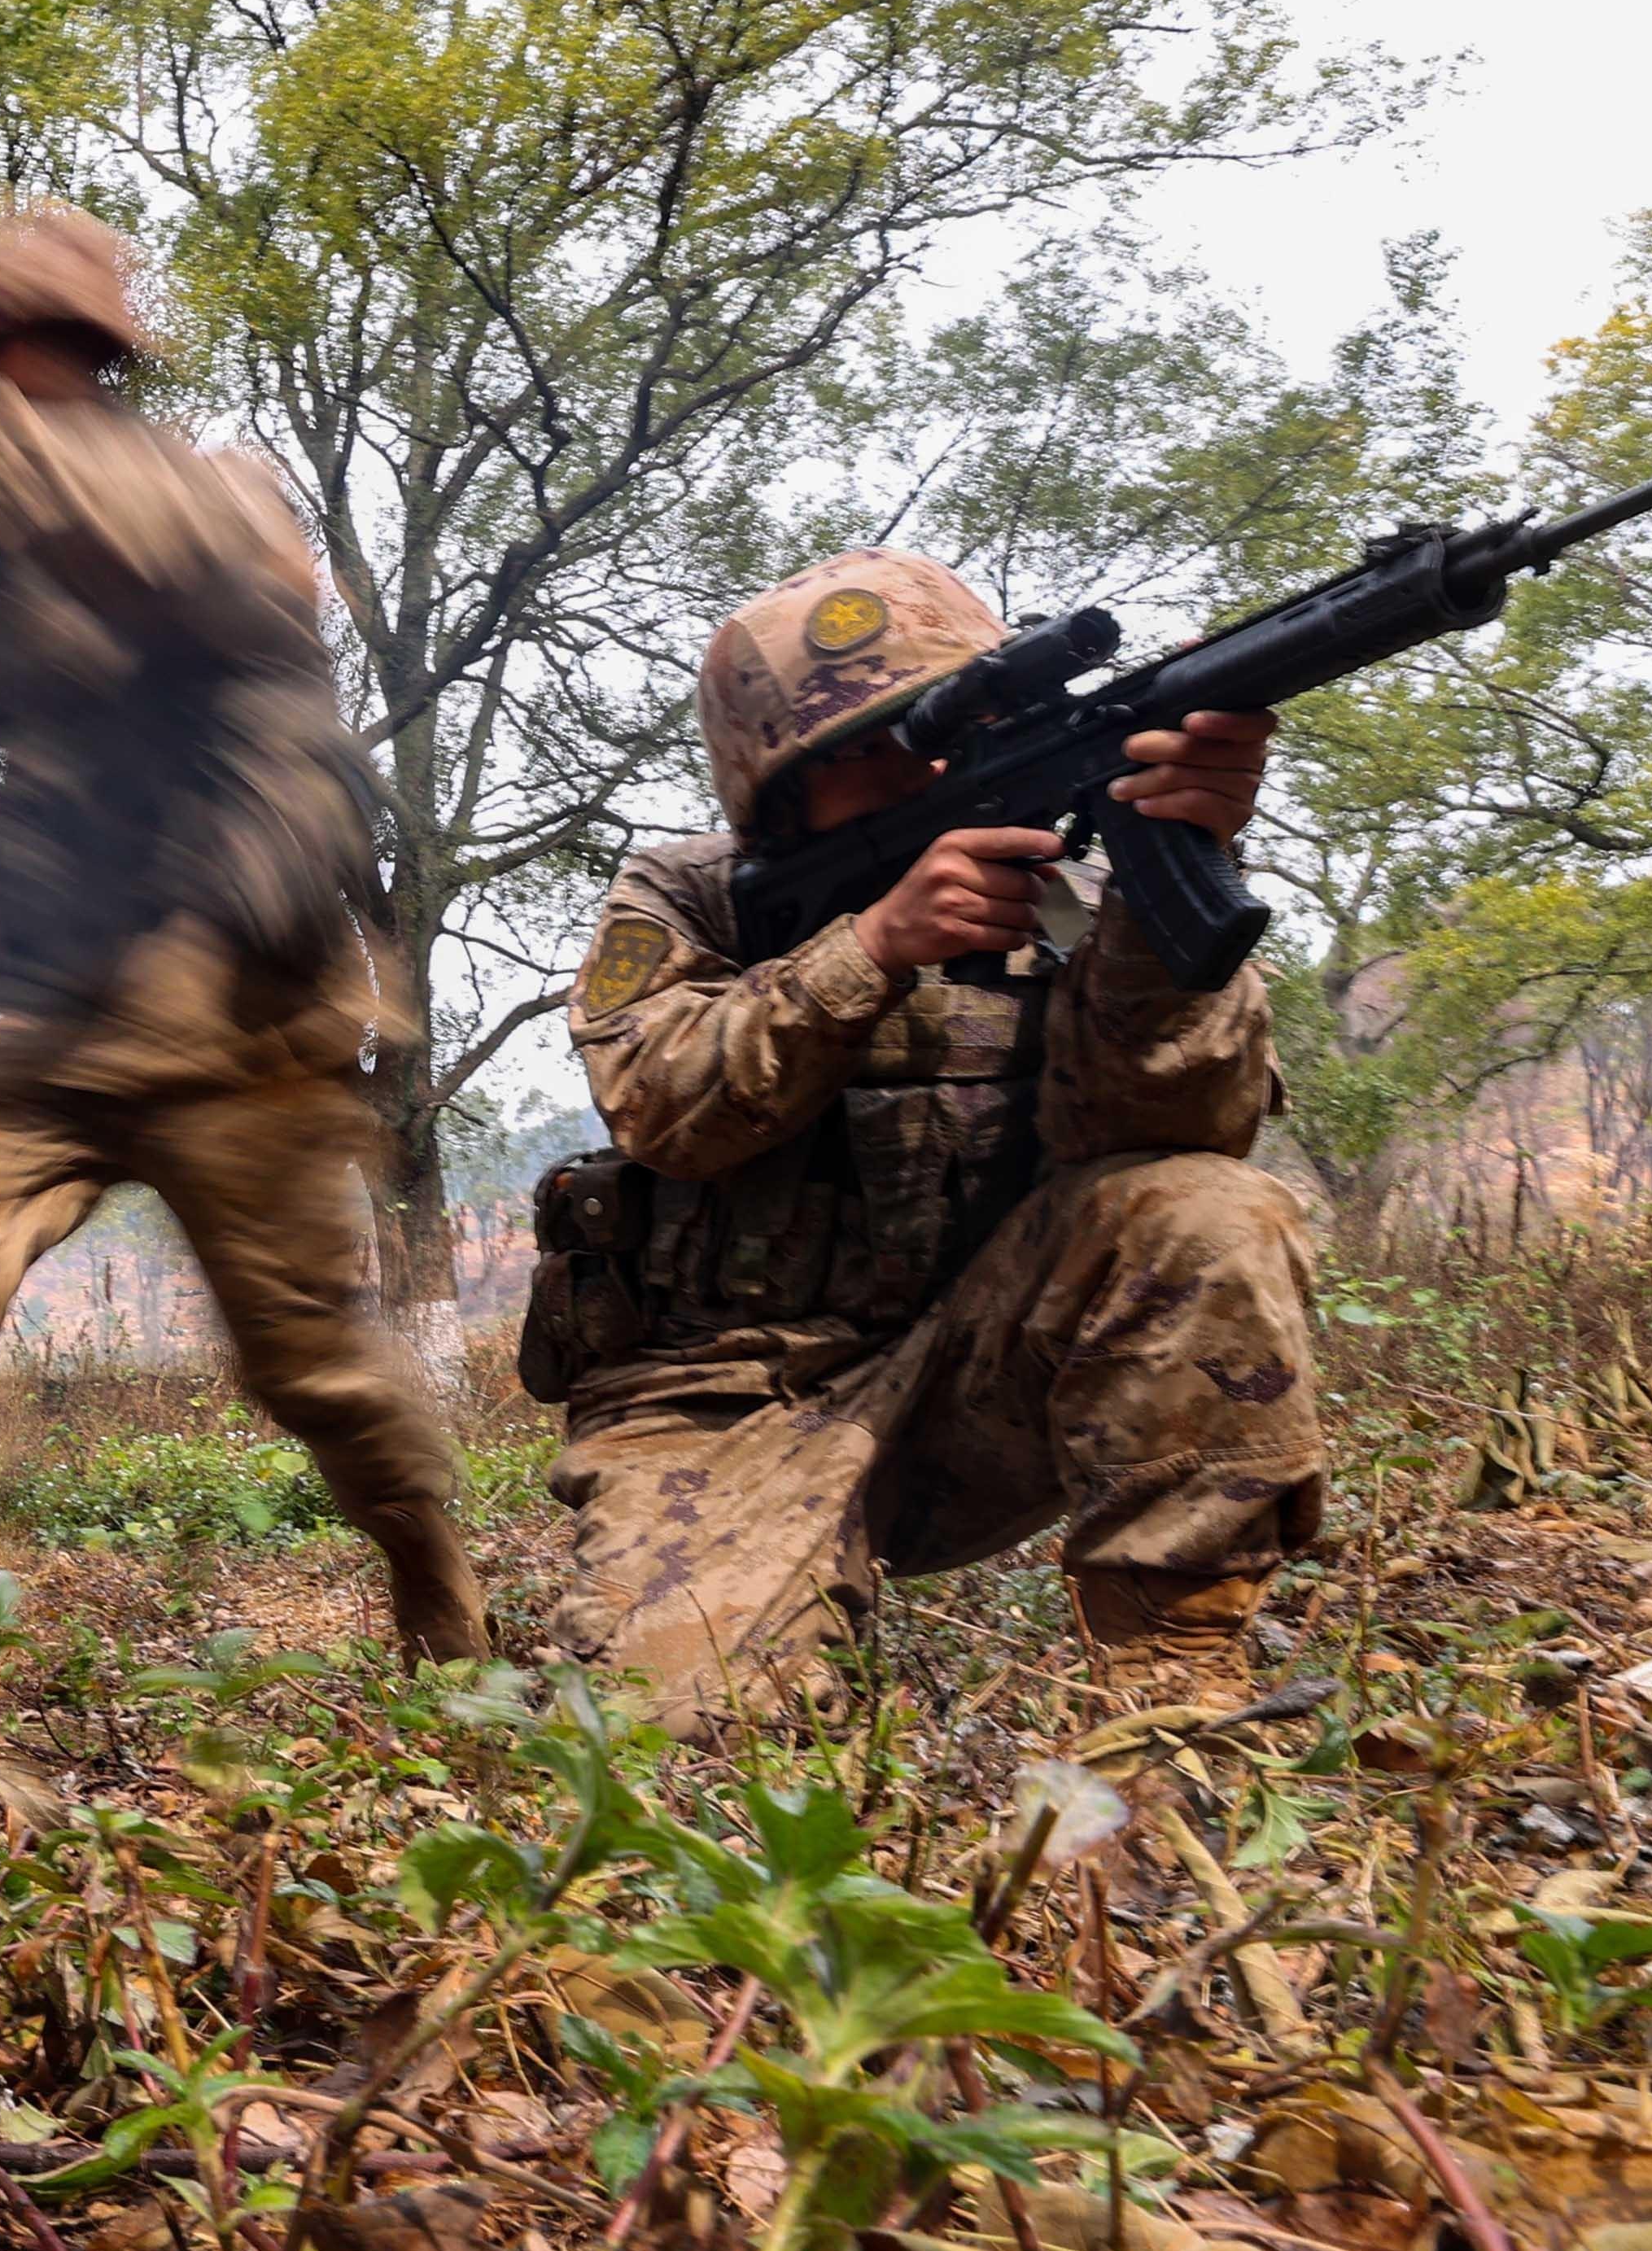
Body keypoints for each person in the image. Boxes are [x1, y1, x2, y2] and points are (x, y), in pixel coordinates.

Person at [0, 203, 484, 1706]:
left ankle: (433, 1575)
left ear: (94, 355)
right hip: (68, 1004)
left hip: (235, 990)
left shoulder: (203, 489)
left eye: (9, 355)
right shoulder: (11, 546)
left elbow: (142, 553)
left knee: (310, 1365)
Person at [522, 547, 1318, 1733]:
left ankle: (1171, 1683)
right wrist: (873, 949)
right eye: (871, 749)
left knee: (1206, 1209)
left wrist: (1177, 879)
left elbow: (1178, 1133)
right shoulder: (691, 894)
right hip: (720, 1401)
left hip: (977, 1382)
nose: (927, 771)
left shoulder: (1071, 894)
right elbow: (659, 1107)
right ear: (776, 780)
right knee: (682, 1737)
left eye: (951, 729)